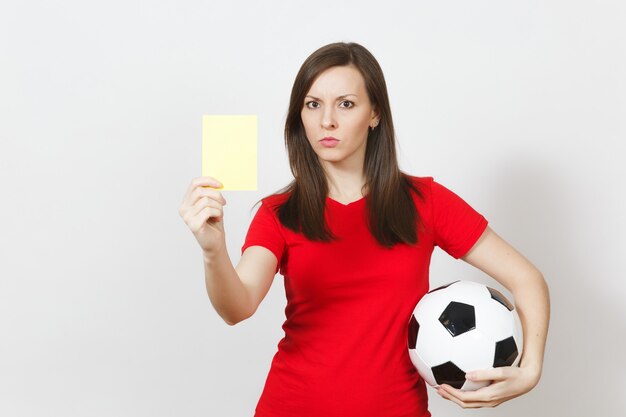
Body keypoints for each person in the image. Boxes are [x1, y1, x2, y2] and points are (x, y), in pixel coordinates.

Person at [178, 42, 550, 417]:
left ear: (374, 113)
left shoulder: (426, 201)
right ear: (300, 116)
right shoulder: (279, 214)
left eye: (346, 104)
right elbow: (236, 307)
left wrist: (530, 370)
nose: (327, 121)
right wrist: (212, 250)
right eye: (313, 104)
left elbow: (527, 279)